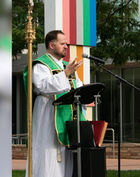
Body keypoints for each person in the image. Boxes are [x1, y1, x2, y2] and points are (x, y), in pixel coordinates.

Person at [23, 30, 86, 177]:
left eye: (66, 44)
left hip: (68, 116)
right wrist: (66, 73)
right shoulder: (40, 65)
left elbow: (78, 86)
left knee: (66, 156)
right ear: (52, 45)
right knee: (48, 153)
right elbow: (43, 86)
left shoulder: (67, 65)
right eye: (62, 43)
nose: (66, 47)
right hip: (48, 113)